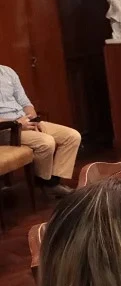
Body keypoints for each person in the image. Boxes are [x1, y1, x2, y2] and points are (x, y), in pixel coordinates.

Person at [0, 64, 80, 197]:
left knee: (72, 136)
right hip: (6, 129)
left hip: (26, 121)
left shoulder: (8, 71)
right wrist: (17, 124)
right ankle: (45, 182)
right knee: (46, 142)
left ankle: (53, 182)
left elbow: (25, 103)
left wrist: (33, 120)